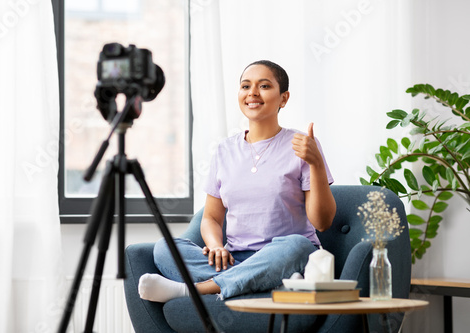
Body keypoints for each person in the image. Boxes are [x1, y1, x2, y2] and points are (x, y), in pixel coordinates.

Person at [138, 60, 336, 303]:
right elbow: (211, 217)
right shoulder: (224, 150)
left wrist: (315, 164)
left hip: (282, 255)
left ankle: (194, 290)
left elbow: (322, 222)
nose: (252, 93)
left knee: (297, 247)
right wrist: (215, 245)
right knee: (165, 248)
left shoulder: (302, 144)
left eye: (264, 86)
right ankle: (255, 282)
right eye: (245, 86)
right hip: (234, 258)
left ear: (283, 98)